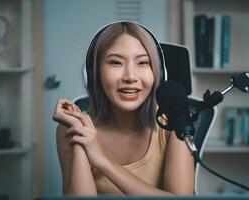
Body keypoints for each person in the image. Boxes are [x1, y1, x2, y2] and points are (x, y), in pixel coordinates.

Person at [52, 21, 194, 195]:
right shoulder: (70, 130)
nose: (130, 77)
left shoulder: (175, 123)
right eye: (116, 63)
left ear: (159, 73)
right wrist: (81, 141)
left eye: (143, 63)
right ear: (93, 74)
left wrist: (102, 162)